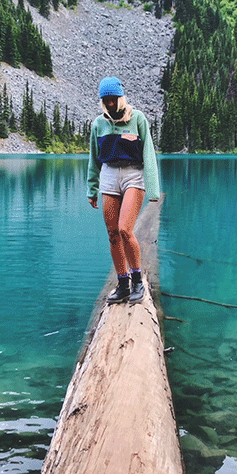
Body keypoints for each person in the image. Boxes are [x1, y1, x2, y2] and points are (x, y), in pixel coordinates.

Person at [87, 76, 160, 305]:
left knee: (125, 230)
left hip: (133, 175)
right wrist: (92, 188)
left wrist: (153, 189)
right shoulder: (99, 124)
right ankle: (123, 284)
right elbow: (94, 158)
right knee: (112, 234)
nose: (109, 104)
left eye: (112, 100)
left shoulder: (137, 118)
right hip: (109, 175)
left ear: (120, 98)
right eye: (105, 100)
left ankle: (138, 281)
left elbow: (148, 153)